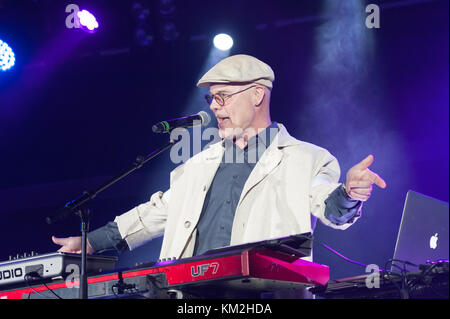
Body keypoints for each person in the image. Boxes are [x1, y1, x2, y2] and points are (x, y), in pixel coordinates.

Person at [52, 54, 386, 266]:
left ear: (257, 95)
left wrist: (349, 193)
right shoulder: (197, 166)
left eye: (222, 96)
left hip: (262, 297)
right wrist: (91, 242)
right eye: (211, 98)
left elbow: (329, 205)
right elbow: (154, 213)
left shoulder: (307, 159)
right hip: (193, 298)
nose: (214, 106)